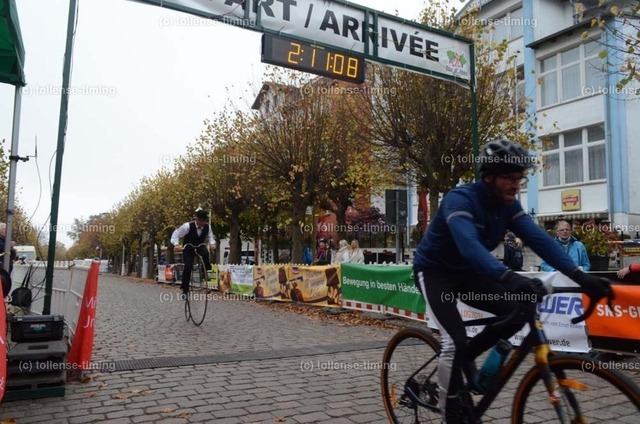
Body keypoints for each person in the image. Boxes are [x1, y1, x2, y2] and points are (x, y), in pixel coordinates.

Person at [412, 138, 613, 424]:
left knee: (518, 311)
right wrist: (507, 276)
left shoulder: (508, 206)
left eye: (519, 178)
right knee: (453, 341)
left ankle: (467, 356)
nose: (516, 185)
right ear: (489, 176)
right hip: (434, 272)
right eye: (509, 178)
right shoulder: (460, 199)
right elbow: (468, 244)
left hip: (469, 273)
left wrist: (579, 276)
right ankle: (451, 412)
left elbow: (540, 239)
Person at [171, 209, 216, 298]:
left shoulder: (207, 227)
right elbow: (176, 234)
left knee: (205, 253)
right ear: (196, 219)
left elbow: (210, 237)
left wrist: (212, 244)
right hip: (188, 247)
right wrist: (176, 244)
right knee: (188, 266)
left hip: (200, 245)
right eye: (200, 221)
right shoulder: (187, 226)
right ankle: (185, 289)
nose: (202, 223)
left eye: (203, 221)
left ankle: (205, 273)